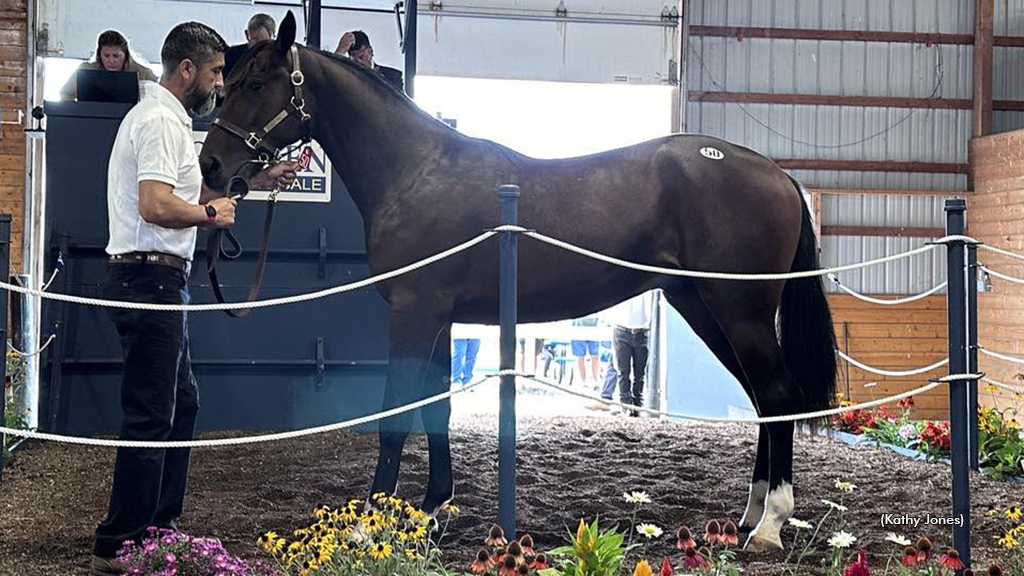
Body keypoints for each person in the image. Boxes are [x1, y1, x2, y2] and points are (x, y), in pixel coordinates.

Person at [90, 21, 297, 576]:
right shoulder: (159, 121)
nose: (218, 84)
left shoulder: (170, 120)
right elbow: (156, 205)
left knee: (179, 406)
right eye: (214, 73)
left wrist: (258, 180)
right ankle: (122, 542)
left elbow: (197, 194)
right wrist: (209, 216)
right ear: (188, 70)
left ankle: (157, 526)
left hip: (159, 279)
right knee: (152, 412)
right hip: (147, 278)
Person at [60, 30, 158, 101]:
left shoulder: (143, 73)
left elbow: (162, 95)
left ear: (125, 55)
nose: (111, 61)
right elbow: (65, 93)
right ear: (99, 55)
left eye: (116, 56)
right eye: (106, 56)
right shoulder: (86, 71)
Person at [604, 292, 654, 417]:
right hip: (622, 330)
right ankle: (626, 405)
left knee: (639, 373)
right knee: (623, 372)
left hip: (641, 331)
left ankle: (637, 405)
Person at [334, 30, 404, 93]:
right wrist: (339, 52)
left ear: (371, 51)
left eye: (361, 57)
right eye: (353, 59)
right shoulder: (346, 80)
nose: (358, 62)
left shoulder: (393, 77)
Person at [222, 13, 276, 79]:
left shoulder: (277, 59)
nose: (259, 47)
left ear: (273, 38)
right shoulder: (231, 55)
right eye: (255, 40)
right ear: (247, 35)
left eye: (264, 43)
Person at [570, 314, 600, 385]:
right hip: (578, 327)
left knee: (595, 356)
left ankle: (596, 381)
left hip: (594, 327)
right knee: (580, 357)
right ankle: (583, 381)